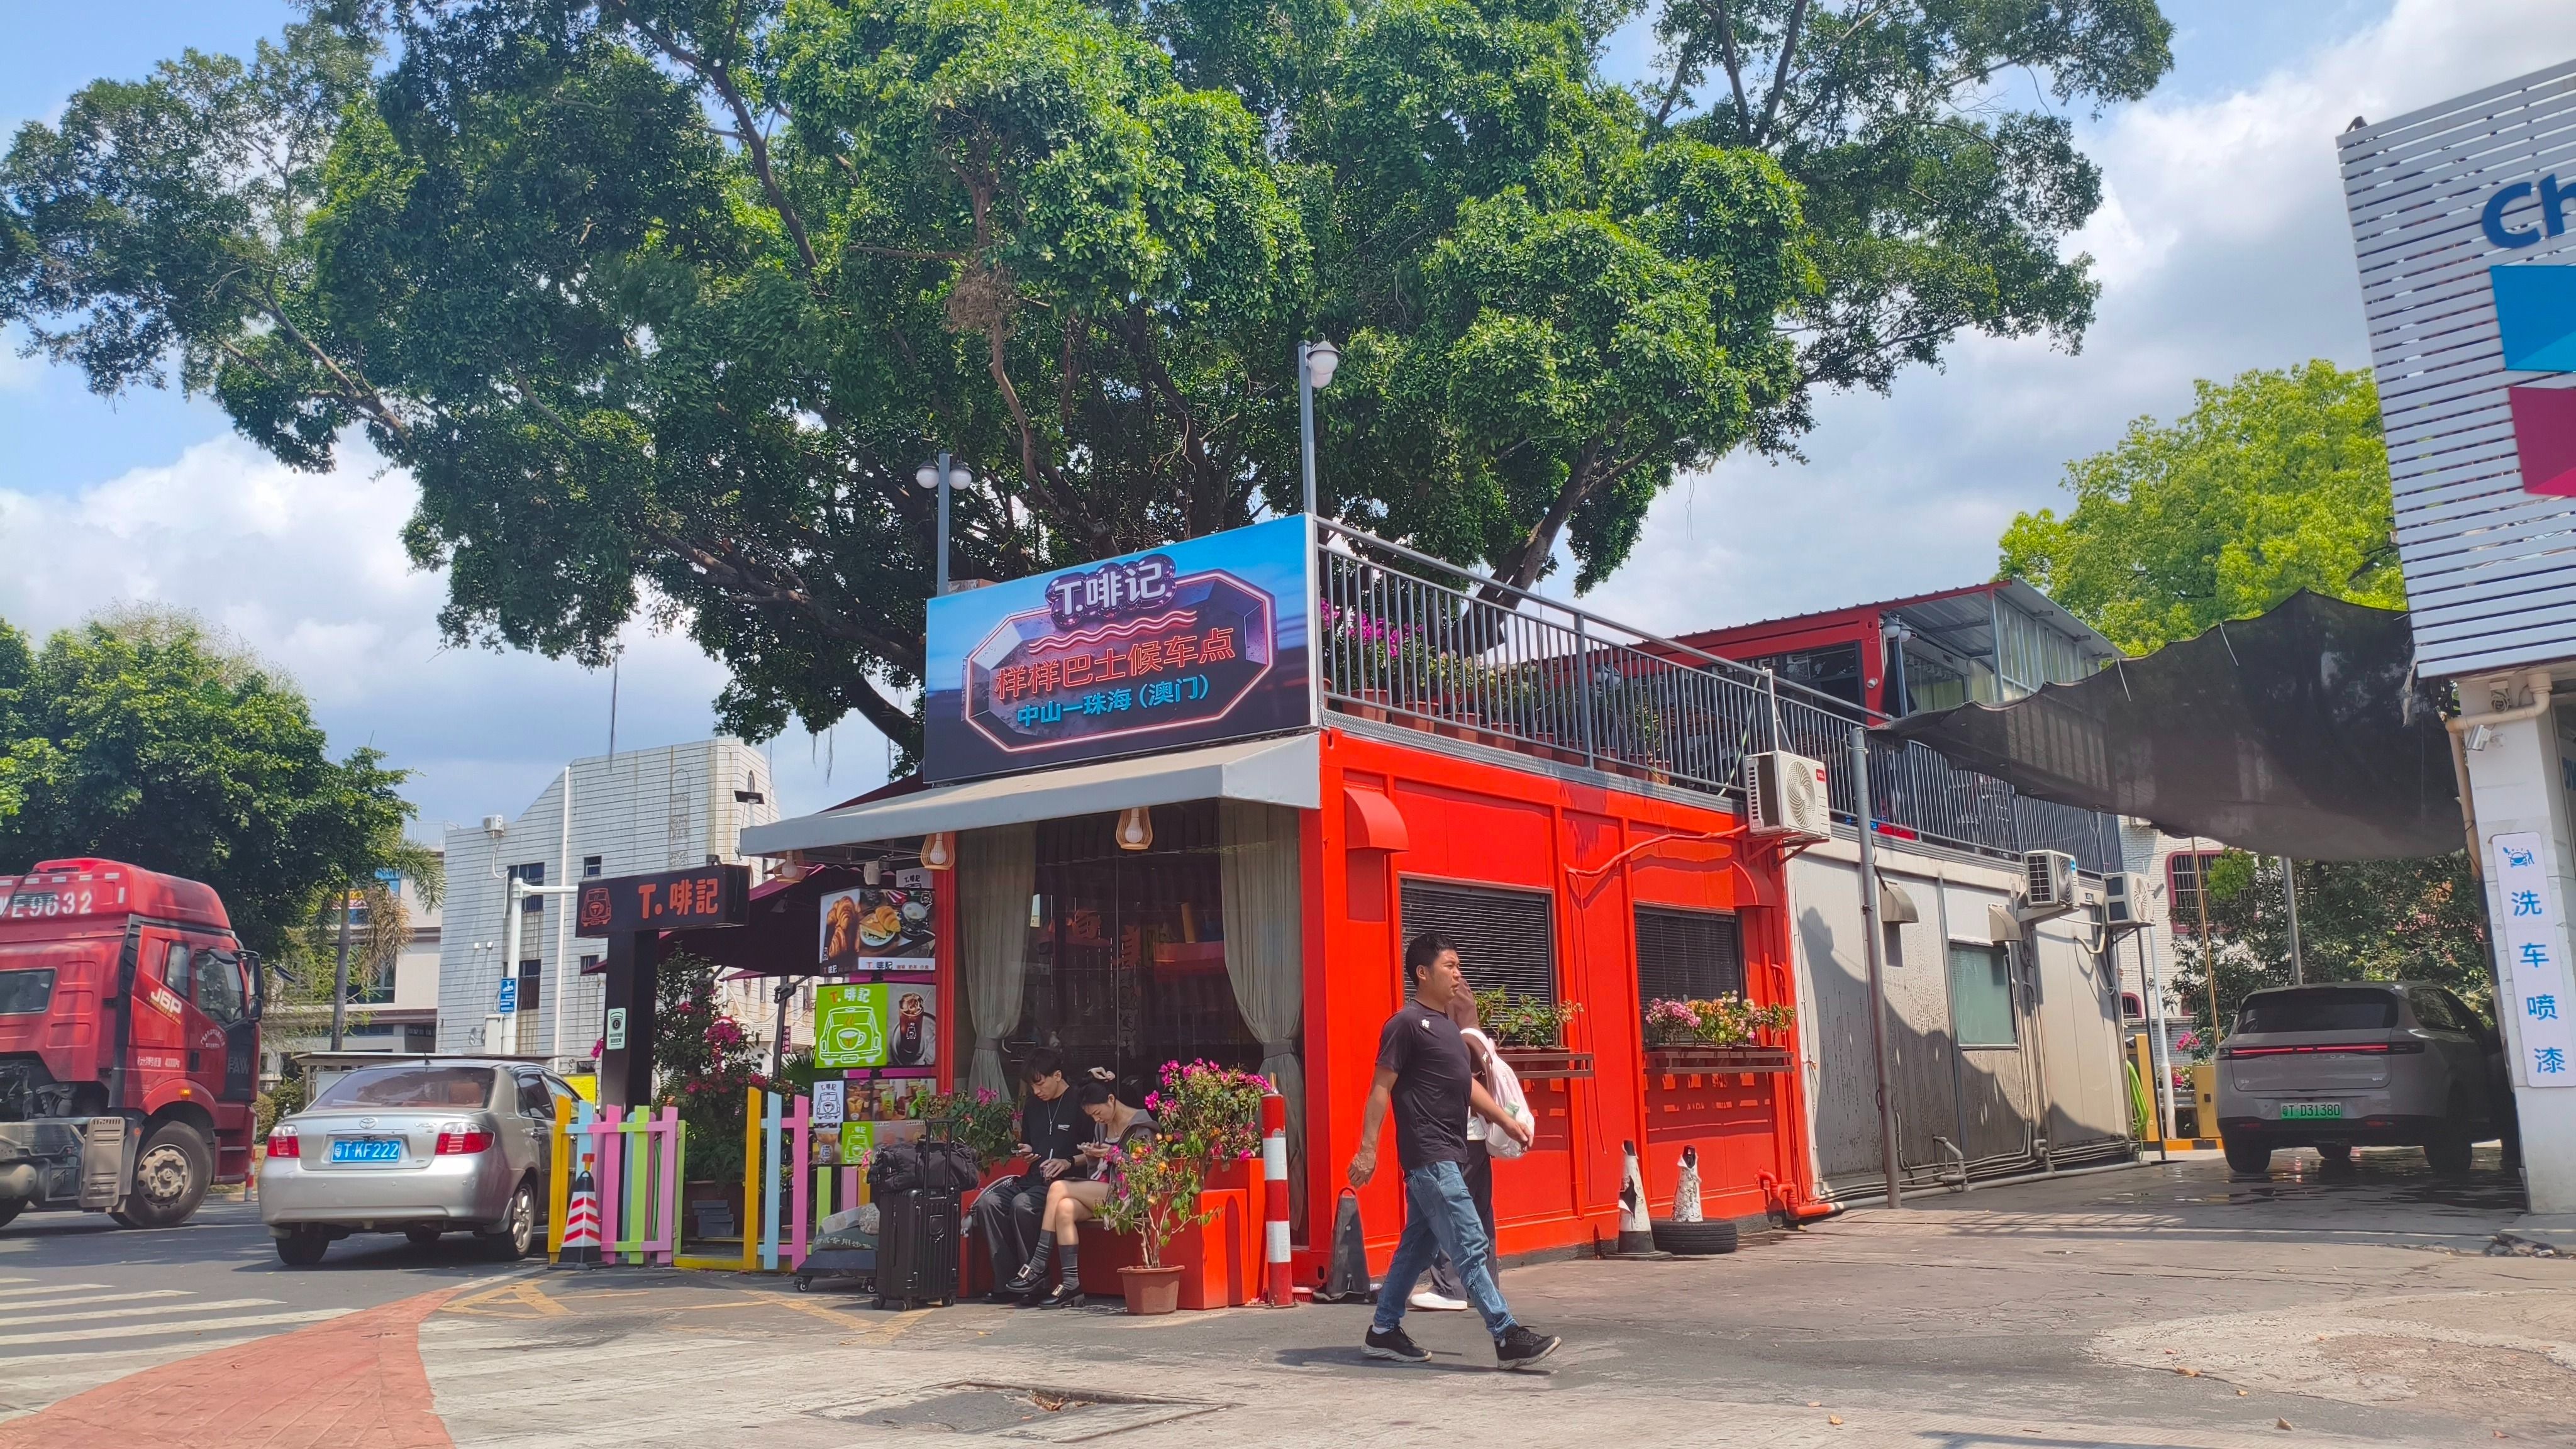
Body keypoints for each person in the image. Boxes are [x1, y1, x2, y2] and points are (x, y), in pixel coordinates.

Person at [1351, 932, 1557, 1370]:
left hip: (1450, 1151)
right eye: (1450, 966)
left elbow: (1467, 1086)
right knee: (1469, 1241)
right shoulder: (1405, 1024)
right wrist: (1368, 1151)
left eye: (1458, 967)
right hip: (1429, 1156)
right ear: (1423, 973)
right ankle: (1506, 1333)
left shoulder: (1448, 1028)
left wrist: (1505, 1120)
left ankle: (1383, 1330)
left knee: (1418, 1248)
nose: (1458, 975)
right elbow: (1380, 1089)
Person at [1004, 1069, 1157, 1309]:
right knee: (1065, 1208)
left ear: (1111, 1100)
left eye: (1098, 1113)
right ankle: (1071, 1285)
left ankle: (1038, 1264)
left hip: (1130, 1195)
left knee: (1058, 1188)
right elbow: (1098, 1167)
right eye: (1092, 1116)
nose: (1097, 1120)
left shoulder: (1141, 1126)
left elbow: (1147, 1169)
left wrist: (1113, 1154)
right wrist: (1093, 1154)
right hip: (1105, 1190)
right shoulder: (1102, 1126)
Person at [971, 1049, 1084, 1301]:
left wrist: (1068, 1162)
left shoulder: (1078, 1101)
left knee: (1023, 1205)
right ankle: (1006, 1282)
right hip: (1033, 1178)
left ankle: (1035, 1280)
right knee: (988, 1204)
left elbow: (1094, 1151)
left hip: (1066, 1182)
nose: (1037, 1091)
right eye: (1033, 1086)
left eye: (1040, 1084)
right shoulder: (1033, 1106)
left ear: (1057, 1076)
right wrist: (1028, 1153)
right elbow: (1030, 1144)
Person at [1417, 992, 1506, 1311]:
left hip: (1457, 1134)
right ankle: (1486, 1285)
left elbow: (1456, 1086)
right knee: (1479, 1211)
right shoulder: (1479, 1040)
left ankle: (1450, 1287)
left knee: (1448, 1206)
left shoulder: (1452, 1041)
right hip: (1477, 1135)